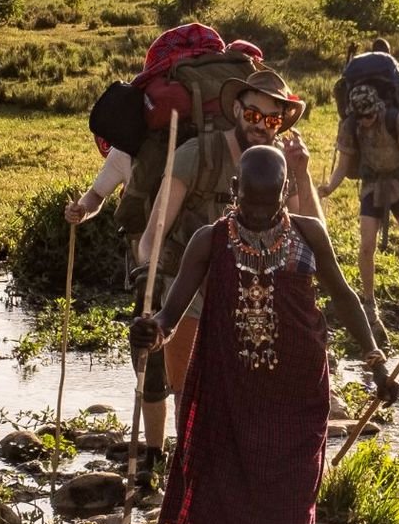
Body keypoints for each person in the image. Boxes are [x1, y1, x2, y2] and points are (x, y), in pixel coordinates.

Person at [129, 146, 385, 524]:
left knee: (293, 510)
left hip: (299, 397)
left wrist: (375, 357)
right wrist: (150, 330)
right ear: (236, 191)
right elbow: (170, 317)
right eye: (251, 201)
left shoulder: (310, 235)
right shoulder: (211, 240)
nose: (261, 213)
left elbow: (341, 296)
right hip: (234, 396)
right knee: (245, 497)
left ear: (285, 191)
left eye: (271, 202)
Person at [134, 70, 323, 453]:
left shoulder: (282, 166)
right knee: (189, 391)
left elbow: (314, 236)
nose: (261, 126)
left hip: (256, 294)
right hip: (191, 290)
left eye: (272, 120)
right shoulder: (198, 155)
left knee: (246, 394)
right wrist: (150, 280)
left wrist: (301, 174)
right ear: (237, 109)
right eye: (253, 115)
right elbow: (154, 233)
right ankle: (188, 473)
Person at [317, 71, 399, 330]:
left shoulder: (394, 120)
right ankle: (368, 301)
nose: (366, 121)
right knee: (366, 246)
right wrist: (329, 187)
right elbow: (343, 165)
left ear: (376, 109)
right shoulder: (351, 126)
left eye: (369, 116)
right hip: (372, 186)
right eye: (361, 116)